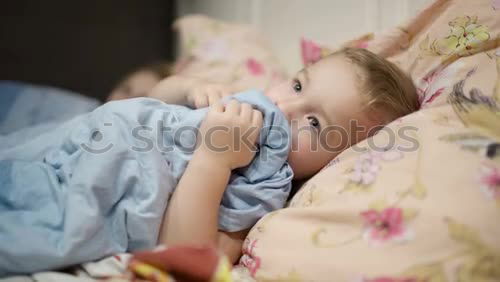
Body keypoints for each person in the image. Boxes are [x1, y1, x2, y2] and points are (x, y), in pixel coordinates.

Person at [147, 47, 419, 262]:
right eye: (298, 86)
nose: (283, 106)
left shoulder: (260, 193)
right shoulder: (232, 103)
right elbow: (147, 106)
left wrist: (213, 160)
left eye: (314, 124)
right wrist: (188, 87)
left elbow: (186, 255)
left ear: (329, 166)